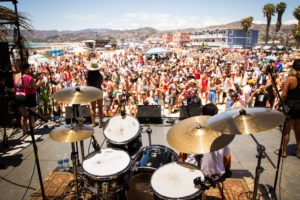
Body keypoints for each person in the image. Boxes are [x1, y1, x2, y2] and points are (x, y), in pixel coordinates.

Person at [275, 59, 300, 158]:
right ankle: (298, 151)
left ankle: (284, 151)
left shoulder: (291, 79)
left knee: (287, 130)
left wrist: (279, 103)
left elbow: (284, 94)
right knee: (298, 131)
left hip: (291, 106)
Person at [22, 63, 43, 133]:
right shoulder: (29, 77)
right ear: (26, 69)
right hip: (31, 96)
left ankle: (24, 129)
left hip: (25, 96)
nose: (30, 69)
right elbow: (35, 87)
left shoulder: (22, 77)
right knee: (32, 114)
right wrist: (40, 80)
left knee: (25, 115)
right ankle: (33, 129)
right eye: (29, 68)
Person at [86, 61, 103, 127]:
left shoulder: (87, 76)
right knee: (100, 108)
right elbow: (101, 82)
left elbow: (87, 84)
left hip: (92, 92)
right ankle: (100, 124)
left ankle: (93, 123)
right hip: (99, 91)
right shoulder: (100, 76)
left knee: (93, 108)